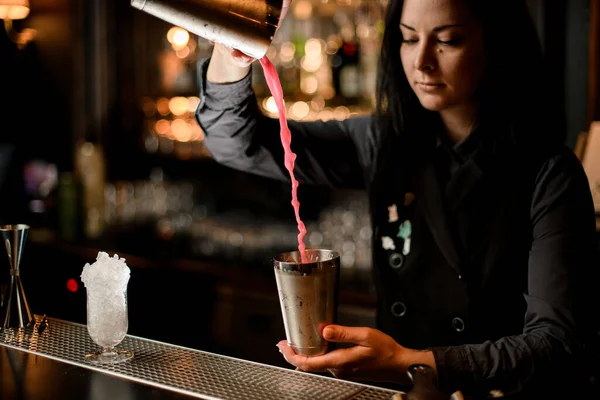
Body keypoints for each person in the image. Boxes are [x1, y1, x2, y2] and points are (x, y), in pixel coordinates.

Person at [195, 0, 599, 398]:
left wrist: (407, 361)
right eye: (408, 39)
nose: (421, 62)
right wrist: (234, 52)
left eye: (448, 40)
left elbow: (556, 342)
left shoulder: (548, 172)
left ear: (496, 43)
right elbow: (236, 143)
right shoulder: (383, 141)